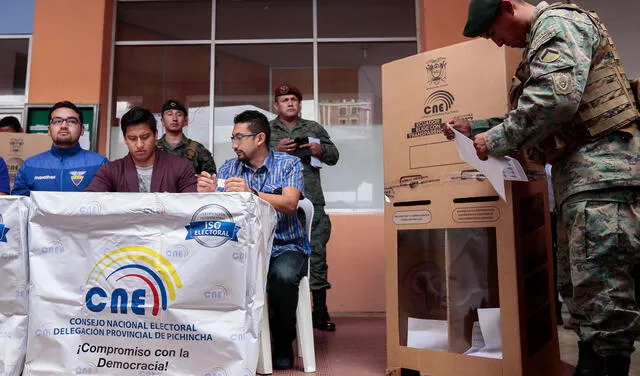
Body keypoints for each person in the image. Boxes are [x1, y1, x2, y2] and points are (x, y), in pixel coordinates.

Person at [443, 1, 639, 375]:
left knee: (603, 296)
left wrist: (495, 139)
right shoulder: (540, 40)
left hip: (603, 177)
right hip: (583, 179)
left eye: (492, 32)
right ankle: (593, 363)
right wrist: (478, 128)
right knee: (583, 292)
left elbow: (554, 100)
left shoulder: (558, 23)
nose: (497, 43)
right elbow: (543, 113)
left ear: (507, 7)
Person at [197, 110, 309, 370]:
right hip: (241, 250)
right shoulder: (228, 167)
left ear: (259, 138)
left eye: (239, 137)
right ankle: (223, 346)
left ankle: (282, 343)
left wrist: (252, 194)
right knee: (207, 271)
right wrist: (206, 193)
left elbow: (291, 203)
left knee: (282, 277)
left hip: (285, 247)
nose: (234, 144)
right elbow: (218, 210)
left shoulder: (288, 164)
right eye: (232, 138)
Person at [269, 83, 340, 331]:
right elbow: (255, 160)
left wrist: (320, 150)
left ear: (299, 104)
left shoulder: (313, 128)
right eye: (284, 99)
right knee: (277, 257)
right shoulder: (267, 130)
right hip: (278, 204)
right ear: (276, 105)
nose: (289, 103)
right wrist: (275, 151)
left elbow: (334, 156)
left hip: (312, 201)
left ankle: (319, 311)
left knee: (317, 256)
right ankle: (279, 313)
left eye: (293, 99)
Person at [86, 106, 196, 193]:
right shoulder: (110, 171)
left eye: (145, 137)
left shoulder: (181, 167)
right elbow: (91, 202)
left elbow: (191, 203)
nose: (139, 144)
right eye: (132, 138)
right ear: (125, 139)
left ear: (156, 134)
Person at [12, 101, 108, 196]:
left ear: (82, 130)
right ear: (49, 130)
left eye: (71, 121)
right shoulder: (30, 166)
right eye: (57, 121)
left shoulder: (100, 164)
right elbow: (19, 207)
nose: (64, 126)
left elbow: (108, 204)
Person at [156, 99, 216, 175]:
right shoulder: (152, 148)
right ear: (162, 121)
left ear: (185, 121)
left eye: (179, 115)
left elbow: (210, 180)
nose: (174, 119)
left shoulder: (198, 149)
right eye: (169, 114)